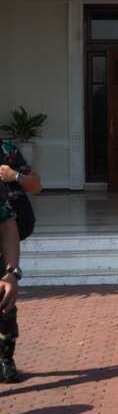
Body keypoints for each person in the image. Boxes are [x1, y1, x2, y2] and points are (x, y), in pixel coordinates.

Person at [0, 141, 39, 383]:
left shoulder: (6, 151)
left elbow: (36, 185)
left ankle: (6, 360)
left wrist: (13, 175)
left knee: (4, 306)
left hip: (5, 242)